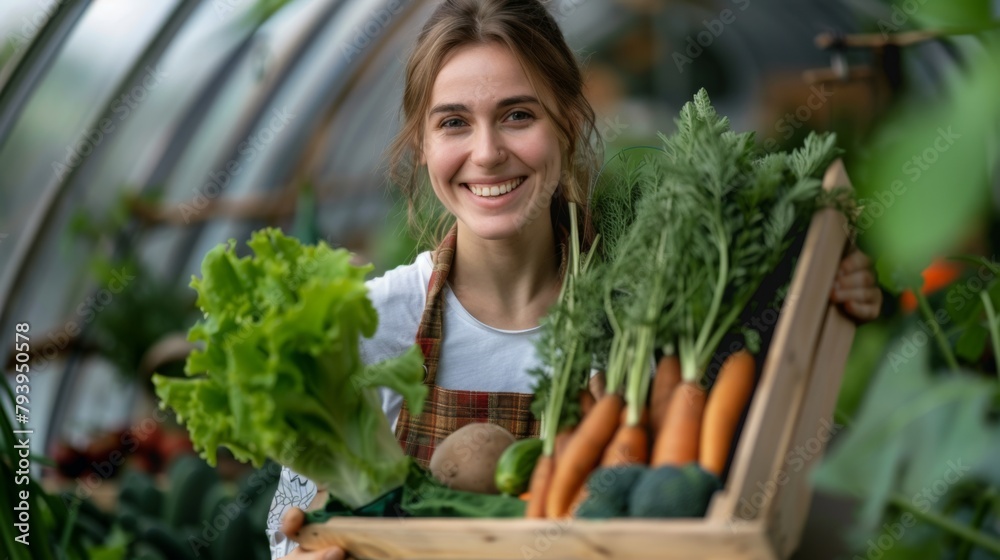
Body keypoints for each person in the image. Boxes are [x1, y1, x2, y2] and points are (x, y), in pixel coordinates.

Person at [267, 0, 883, 557]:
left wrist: (820, 301)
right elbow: (291, 529)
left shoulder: (650, 309)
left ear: (567, 124)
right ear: (421, 145)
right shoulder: (369, 324)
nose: (487, 153)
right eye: (453, 123)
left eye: (517, 115)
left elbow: (748, 473)